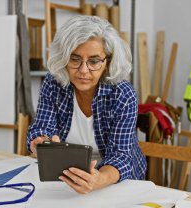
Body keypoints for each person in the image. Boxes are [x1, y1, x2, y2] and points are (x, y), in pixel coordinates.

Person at [26, 15, 146, 194]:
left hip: (115, 180)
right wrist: (41, 143)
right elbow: (41, 127)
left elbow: (122, 155)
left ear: (107, 62)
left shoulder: (123, 93)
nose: (83, 70)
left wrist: (100, 178)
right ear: (64, 58)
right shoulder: (53, 83)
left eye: (94, 61)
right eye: (75, 59)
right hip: (69, 177)